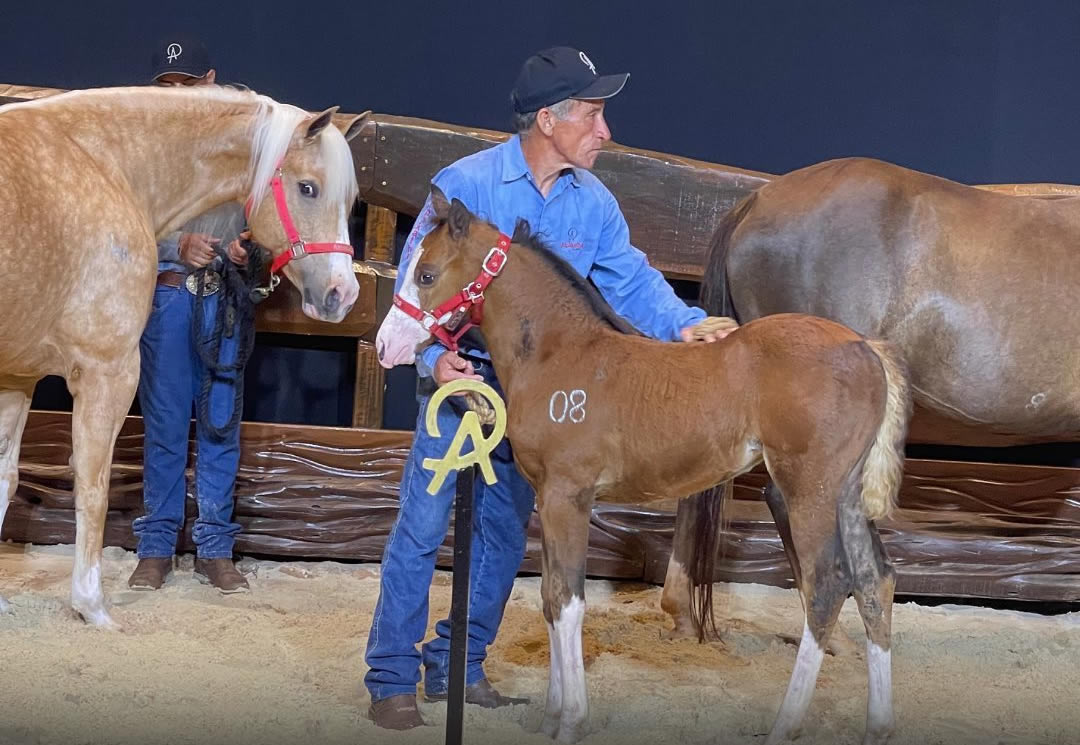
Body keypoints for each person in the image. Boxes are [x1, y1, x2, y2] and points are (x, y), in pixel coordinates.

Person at [363, 46, 737, 729]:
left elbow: (630, 278)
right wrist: (432, 364)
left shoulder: (592, 202)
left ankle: (459, 666)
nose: (604, 130)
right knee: (421, 525)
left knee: (504, 536)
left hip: (538, 402)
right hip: (461, 382)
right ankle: (390, 676)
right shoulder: (467, 185)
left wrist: (686, 328)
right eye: (592, 114)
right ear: (548, 119)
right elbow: (414, 284)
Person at [127, 35, 252, 594]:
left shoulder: (242, 147)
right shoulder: (144, 157)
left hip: (223, 298)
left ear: (210, 80)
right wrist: (176, 246)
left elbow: (265, 221)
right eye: (166, 86)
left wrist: (251, 250)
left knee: (221, 424)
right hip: (171, 295)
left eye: (187, 83)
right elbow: (125, 235)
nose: (177, 94)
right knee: (167, 425)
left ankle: (215, 548)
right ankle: (156, 545)